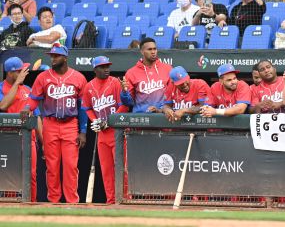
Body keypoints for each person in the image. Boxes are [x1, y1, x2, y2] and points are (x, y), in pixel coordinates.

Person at [21, 45, 88, 204]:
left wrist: (83, 131)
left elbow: (83, 107)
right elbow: (34, 99)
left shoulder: (78, 77)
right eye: (51, 56)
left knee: (71, 166)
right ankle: (54, 202)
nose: (53, 59)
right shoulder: (43, 77)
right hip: (50, 124)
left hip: (70, 124)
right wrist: (26, 107)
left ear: (65, 58)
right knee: (52, 166)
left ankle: (72, 202)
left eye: (56, 56)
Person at [82, 56, 128, 204]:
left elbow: (124, 106)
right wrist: (94, 120)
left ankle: (125, 199)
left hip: (117, 132)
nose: (106, 69)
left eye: (108, 66)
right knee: (106, 170)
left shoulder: (115, 82)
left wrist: (109, 121)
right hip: (102, 135)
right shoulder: (89, 86)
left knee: (121, 168)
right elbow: (87, 108)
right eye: (102, 67)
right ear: (95, 69)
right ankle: (111, 200)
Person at [0, 57, 42, 202]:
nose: (24, 74)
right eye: (20, 71)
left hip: (27, 138)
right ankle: (7, 208)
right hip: (7, 139)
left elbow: (36, 117)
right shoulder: (1, 88)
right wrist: (17, 84)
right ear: (11, 73)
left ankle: (31, 205)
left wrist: (43, 142)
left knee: (31, 175)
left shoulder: (28, 90)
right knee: (8, 174)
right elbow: (3, 105)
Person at [120, 38, 173, 113]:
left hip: (162, 116)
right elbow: (128, 103)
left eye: (155, 49)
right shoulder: (131, 72)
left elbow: (172, 95)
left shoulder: (168, 68)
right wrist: (124, 92)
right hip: (141, 117)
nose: (153, 52)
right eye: (149, 49)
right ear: (142, 51)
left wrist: (162, 110)